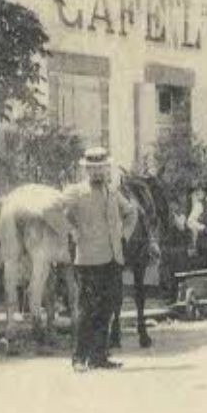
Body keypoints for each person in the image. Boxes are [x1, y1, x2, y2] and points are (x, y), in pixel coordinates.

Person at [65, 147, 138, 371]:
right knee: (85, 310)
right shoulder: (75, 192)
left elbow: (131, 212)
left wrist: (123, 236)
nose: (97, 173)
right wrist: (72, 231)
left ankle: (99, 357)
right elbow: (59, 212)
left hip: (112, 258)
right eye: (92, 169)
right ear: (86, 170)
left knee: (107, 308)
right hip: (87, 260)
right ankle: (79, 358)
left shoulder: (113, 191)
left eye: (101, 168)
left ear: (107, 169)